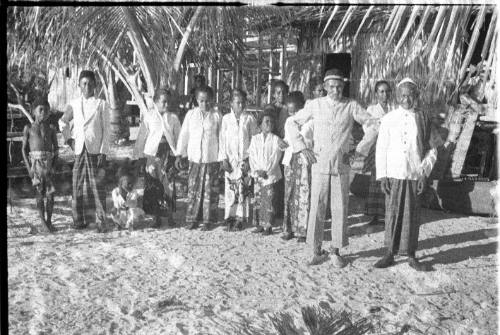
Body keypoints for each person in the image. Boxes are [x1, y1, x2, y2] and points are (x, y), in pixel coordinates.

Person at [286, 68, 374, 266]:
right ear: (325, 87)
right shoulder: (315, 105)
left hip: (342, 166)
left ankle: (335, 250)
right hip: (319, 164)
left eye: (339, 86)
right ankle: (316, 250)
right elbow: (292, 122)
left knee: (339, 208)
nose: (336, 90)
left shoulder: (350, 105)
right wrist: (302, 148)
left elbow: (373, 125)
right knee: (316, 207)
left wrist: (358, 151)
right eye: (332, 87)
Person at [373, 78, 438, 272]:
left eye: (410, 95)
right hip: (393, 174)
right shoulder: (389, 119)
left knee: (412, 215)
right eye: (402, 95)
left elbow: (433, 150)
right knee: (392, 214)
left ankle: (411, 255)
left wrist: (423, 174)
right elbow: (381, 148)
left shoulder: (424, 118)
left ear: (416, 96)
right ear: (397, 96)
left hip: (413, 174)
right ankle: (389, 253)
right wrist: (383, 175)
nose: (406, 99)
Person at [59, 70, 110, 232]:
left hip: (95, 150)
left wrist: (104, 151)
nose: (87, 87)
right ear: (79, 85)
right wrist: (69, 140)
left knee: (97, 186)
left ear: (95, 84)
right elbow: (63, 122)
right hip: (79, 149)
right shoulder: (73, 104)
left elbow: (107, 130)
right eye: (84, 84)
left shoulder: (102, 104)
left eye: (90, 83)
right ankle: (78, 221)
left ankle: (101, 221)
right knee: (77, 185)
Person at [176, 86, 222, 231]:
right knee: (193, 189)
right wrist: (179, 154)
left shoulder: (216, 115)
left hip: (211, 158)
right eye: (201, 101)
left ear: (212, 101)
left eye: (208, 101)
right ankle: (192, 219)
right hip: (195, 158)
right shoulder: (191, 115)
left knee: (210, 190)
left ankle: (208, 220)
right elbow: (184, 135)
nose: (204, 104)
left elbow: (222, 137)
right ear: (197, 100)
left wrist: (222, 157)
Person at [219, 89, 259, 231]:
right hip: (230, 161)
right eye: (237, 103)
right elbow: (222, 140)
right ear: (231, 103)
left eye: (243, 102)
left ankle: (240, 218)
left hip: (244, 160)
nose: (240, 105)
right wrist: (223, 159)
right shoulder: (226, 119)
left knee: (242, 189)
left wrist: (250, 160)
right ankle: (229, 217)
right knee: (230, 189)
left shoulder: (249, 119)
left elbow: (255, 141)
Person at [356, 80, 395, 226]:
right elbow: (368, 128)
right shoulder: (372, 110)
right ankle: (375, 215)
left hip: (392, 148)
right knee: (377, 179)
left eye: (387, 91)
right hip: (377, 148)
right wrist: (382, 124)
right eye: (381, 91)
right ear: (376, 93)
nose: (384, 95)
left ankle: (389, 213)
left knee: (390, 177)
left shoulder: (394, 109)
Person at [142, 88, 181, 228]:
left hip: (168, 154)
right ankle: (156, 218)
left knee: (168, 184)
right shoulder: (149, 116)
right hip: (152, 155)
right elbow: (143, 137)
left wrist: (178, 156)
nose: (166, 105)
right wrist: (143, 158)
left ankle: (170, 217)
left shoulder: (173, 118)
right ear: (155, 102)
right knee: (154, 185)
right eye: (163, 102)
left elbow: (179, 138)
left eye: (168, 102)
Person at [22, 98, 59, 233]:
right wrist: (28, 168)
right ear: (33, 112)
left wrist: (54, 166)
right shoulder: (29, 128)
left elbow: (57, 149)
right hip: (35, 166)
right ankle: (42, 222)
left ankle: (49, 221)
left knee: (50, 195)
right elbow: (24, 150)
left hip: (48, 165)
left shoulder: (51, 129)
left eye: (46, 110)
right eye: (40, 110)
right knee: (39, 194)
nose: (44, 112)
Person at [282, 93, 312, 242]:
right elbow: (288, 140)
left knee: (303, 196)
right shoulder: (288, 121)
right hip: (290, 161)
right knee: (289, 195)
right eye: (290, 111)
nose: (293, 114)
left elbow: (312, 141)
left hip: (305, 162)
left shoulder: (311, 122)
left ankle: (302, 230)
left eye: (295, 111)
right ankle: (288, 229)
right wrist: (282, 144)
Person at [248, 112, 284, 235]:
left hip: (270, 175)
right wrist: (257, 170)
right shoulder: (255, 139)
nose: (269, 124)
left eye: (271, 122)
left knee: (269, 200)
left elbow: (276, 157)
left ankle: (268, 225)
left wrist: (267, 171)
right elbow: (252, 156)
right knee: (258, 200)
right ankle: (259, 224)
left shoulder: (276, 139)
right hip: (258, 175)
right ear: (260, 124)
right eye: (266, 121)